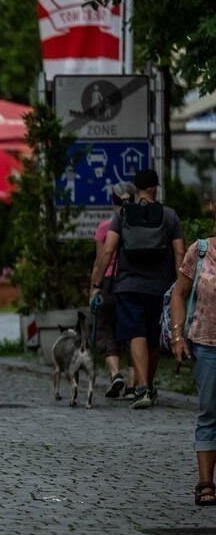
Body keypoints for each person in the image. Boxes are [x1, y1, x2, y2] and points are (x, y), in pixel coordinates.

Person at [91, 169, 185, 409]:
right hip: (159, 286)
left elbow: (108, 250)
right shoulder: (170, 216)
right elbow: (179, 252)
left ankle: (142, 388)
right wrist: (179, 286)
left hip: (128, 285)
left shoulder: (122, 215)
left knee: (135, 333)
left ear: (136, 189)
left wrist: (96, 283)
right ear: (155, 188)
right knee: (152, 339)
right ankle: (148, 386)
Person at [171, 227, 216, 505]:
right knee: (210, 411)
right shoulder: (199, 251)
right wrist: (178, 338)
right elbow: (179, 295)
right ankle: (206, 483)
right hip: (206, 344)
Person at [90, 181, 137, 398]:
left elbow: (101, 260)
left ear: (113, 202)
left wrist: (94, 287)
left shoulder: (104, 227)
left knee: (106, 329)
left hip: (109, 283)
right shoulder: (140, 225)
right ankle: (132, 385)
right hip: (134, 281)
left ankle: (115, 373)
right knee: (134, 333)